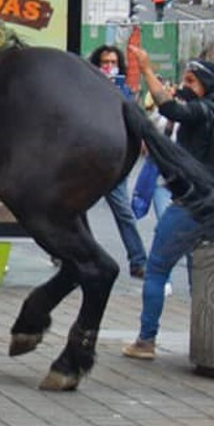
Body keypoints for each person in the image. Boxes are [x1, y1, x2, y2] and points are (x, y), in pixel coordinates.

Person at [122, 47, 214, 361]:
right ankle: (207, 341)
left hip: (189, 205)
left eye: (190, 81)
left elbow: (172, 110)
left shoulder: (204, 110)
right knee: (201, 275)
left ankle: (146, 340)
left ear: (206, 85)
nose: (184, 86)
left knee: (157, 268)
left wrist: (145, 70)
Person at [88, 45, 147, 278]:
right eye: (105, 63)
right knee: (73, 211)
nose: (109, 67)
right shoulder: (87, 87)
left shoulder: (125, 92)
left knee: (123, 212)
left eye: (113, 63)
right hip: (88, 161)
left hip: (113, 163)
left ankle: (138, 259)